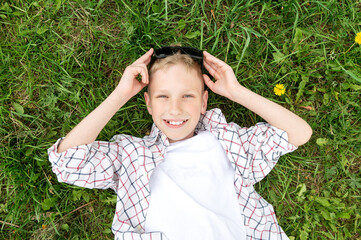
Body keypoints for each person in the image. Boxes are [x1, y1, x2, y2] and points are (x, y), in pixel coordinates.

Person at [48, 46, 312, 240]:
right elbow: (68, 163)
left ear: (204, 102)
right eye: (163, 96)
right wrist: (120, 95)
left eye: (187, 95)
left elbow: (298, 133)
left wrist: (236, 92)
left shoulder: (227, 142)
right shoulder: (132, 155)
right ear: (148, 104)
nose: (175, 109)